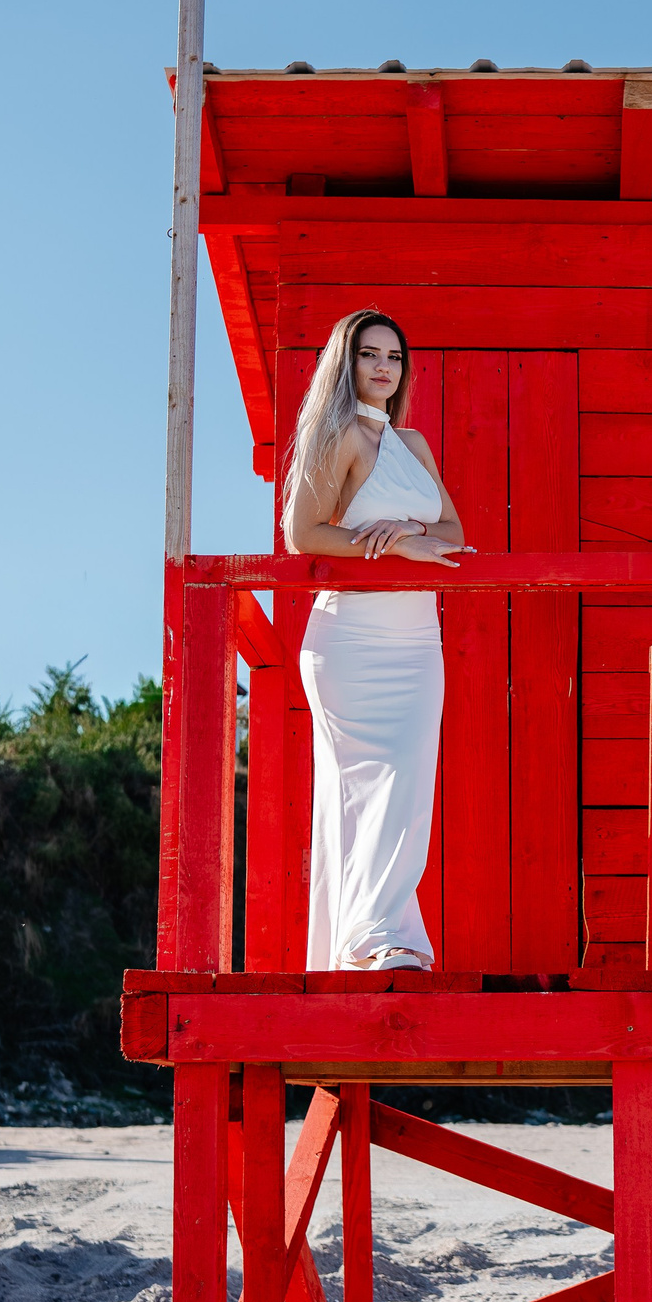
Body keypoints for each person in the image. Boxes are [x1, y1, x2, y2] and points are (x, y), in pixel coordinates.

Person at [278, 310, 471, 970]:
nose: (384, 367)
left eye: (393, 356)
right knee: (364, 790)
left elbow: (453, 534)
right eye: (369, 355)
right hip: (351, 640)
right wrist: (383, 545)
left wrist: (412, 536)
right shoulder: (338, 436)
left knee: (408, 786)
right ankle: (379, 941)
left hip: (417, 642)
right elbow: (303, 534)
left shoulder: (412, 444)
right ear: (347, 362)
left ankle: (371, 938)